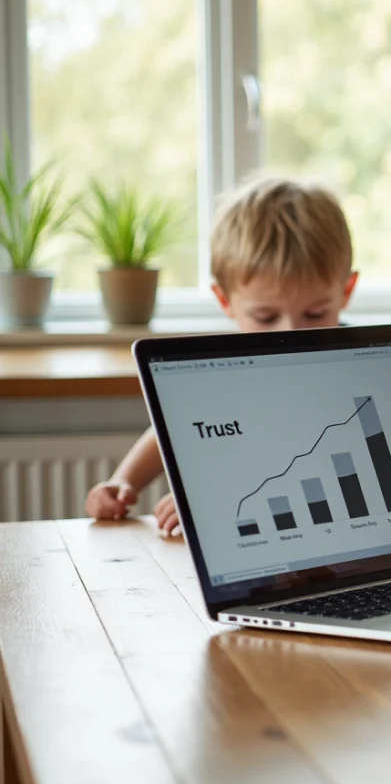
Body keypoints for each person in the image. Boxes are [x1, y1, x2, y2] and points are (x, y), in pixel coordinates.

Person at [85, 177, 358, 536]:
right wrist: (122, 483)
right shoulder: (225, 370)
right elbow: (171, 426)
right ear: (225, 301)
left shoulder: (360, 367)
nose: (291, 333)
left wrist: (219, 503)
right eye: (266, 317)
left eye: (316, 313)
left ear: (346, 292)